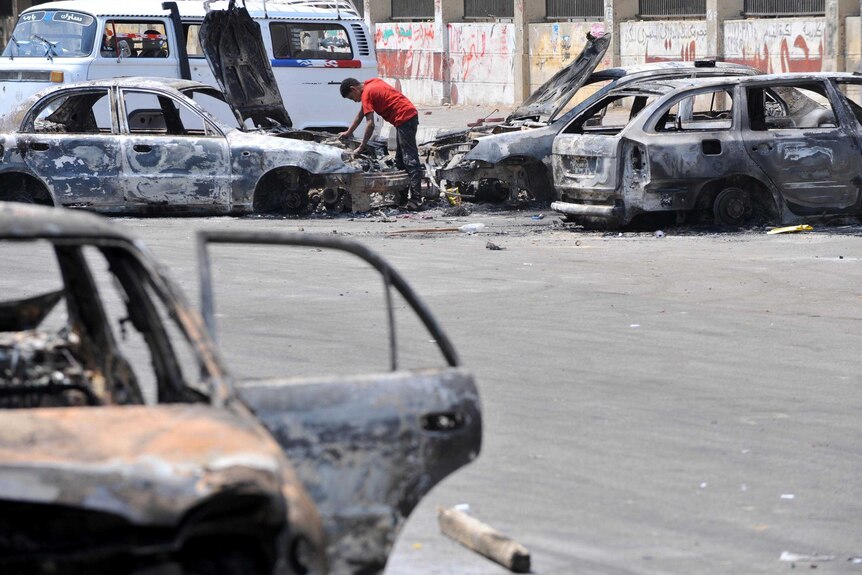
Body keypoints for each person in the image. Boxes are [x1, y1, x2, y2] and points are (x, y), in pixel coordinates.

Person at [338, 77, 424, 210]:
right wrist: (349, 132)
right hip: (407, 116)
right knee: (400, 161)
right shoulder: (370, 83)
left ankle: (416, 200)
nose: (355, 101)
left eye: (351, 98)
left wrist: (361, 147)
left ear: (353, 89)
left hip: (404, 118)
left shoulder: (366, 93)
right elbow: (361, 114)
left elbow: (370, 124)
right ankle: (402, 199)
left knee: (410, 161)